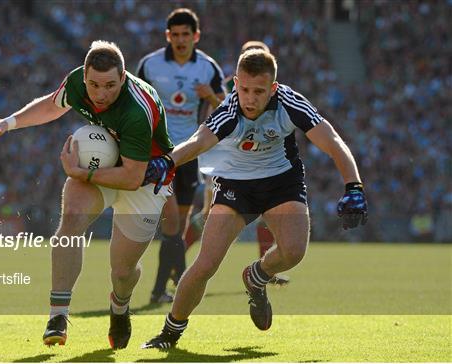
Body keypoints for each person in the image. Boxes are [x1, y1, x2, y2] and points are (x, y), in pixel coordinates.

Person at [141, 49, 368, 348]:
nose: (250, 98)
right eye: (244, 89)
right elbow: (198, 142)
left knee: (294, 252)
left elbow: (334, 142)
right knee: (205, 264)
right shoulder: (228, 110)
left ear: (273, 88)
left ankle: (256, 276)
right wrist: (168, 162)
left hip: (281, 184)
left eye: (259, 91)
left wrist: (354, 187)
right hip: (236, 186)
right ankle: (169, 333)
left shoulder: (290, 103)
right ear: (235, 83)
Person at [0, 40, 174, 350]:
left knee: (123, 272)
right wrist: (8, 123)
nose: (101, 94)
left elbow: (131, 176)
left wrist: (80, 173)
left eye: (111, 85)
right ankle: (58, 315)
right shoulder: (76, 83)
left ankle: (120, 307)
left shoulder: (137, 111)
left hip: (144, 179)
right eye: (94, 85)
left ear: (123, 78)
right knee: (70, 220)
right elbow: (50, 106)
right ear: (84, 77)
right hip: (102, 164)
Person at [136, 8, 225, 303]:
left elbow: (228, 107)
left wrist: (209, 96)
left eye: (186, 34)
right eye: (175, 34)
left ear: (196, 36)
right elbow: (134, 102)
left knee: (179, 225)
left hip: (190, 153)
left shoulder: (208, 68)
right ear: (168, 36)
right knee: (171, 220)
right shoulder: (150, 65)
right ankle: (185, 282)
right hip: (158, 153)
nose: (180, 39)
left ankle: (159, 291)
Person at [184, 40, 290, 285]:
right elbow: (216, 119)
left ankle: (266, 271)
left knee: (265, 215)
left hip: (254, 164)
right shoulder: (236, 91)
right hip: (226, 161)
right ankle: (178, 261)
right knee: (207, 217)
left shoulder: (266, 93)